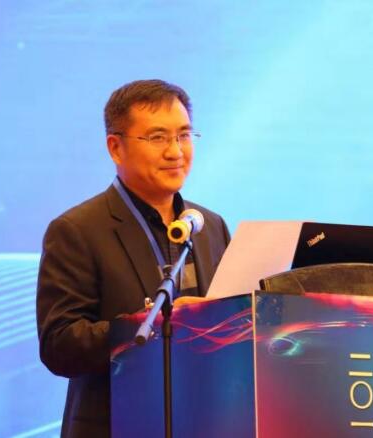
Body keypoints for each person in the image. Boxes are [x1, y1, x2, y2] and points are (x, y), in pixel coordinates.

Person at [36, 79, 230, 438]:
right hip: (115, 425)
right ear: (116, 147)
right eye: (157, 137)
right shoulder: (77, 230)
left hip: (203, 422)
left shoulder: (209, 225)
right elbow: (59, 345)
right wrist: (148, 325)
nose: (175, 151)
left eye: (184, 135)